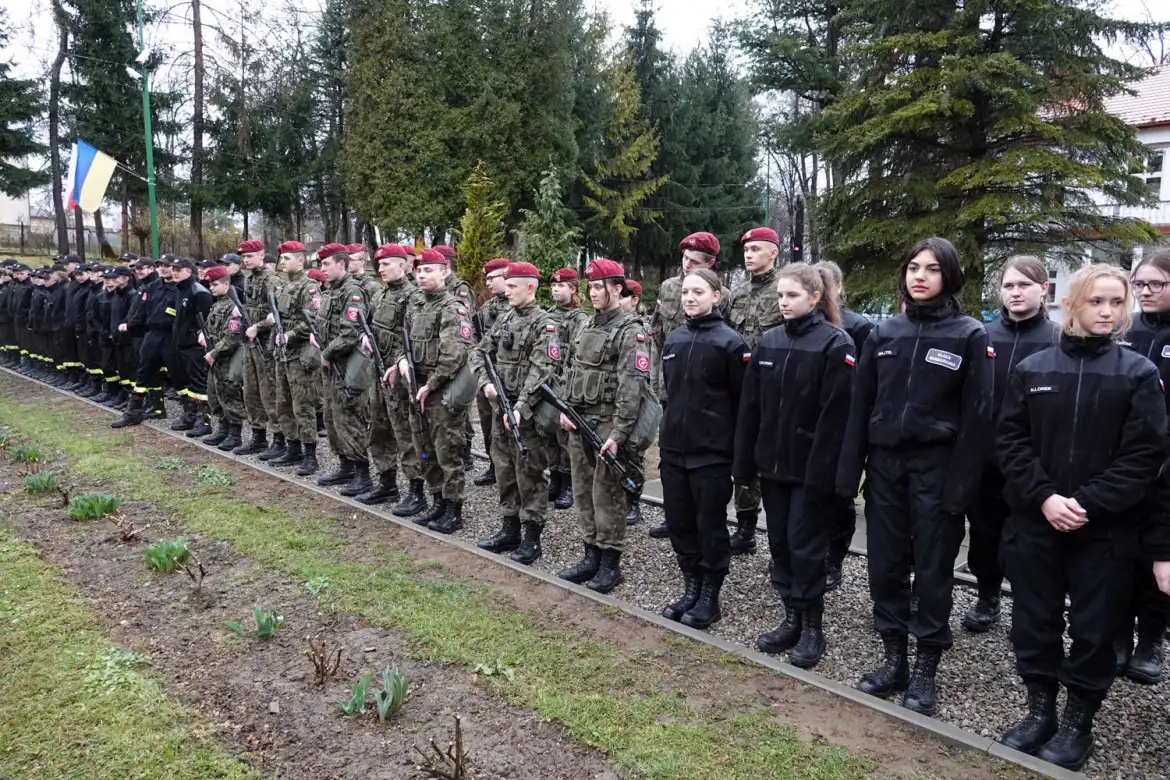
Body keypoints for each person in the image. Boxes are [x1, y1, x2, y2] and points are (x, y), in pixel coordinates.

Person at [995, 264, 1165, 770]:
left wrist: (1086, 503)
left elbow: (1144, 456)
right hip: (1036, 521)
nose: (1108, 312)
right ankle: (1040, 709)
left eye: (1117, 302)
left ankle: (1078, 722)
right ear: (1070, 304)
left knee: (1094, 631)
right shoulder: (1034, 368)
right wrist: (1046, 497)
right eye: (1097, 302)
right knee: (1034, 621)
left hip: (1105, 531)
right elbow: (1010, 441)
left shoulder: (1138, 374)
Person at [836, 236, 991, 716]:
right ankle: (894, 658)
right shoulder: (886, 333)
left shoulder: (969, 335)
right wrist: (847, 477)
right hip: (885, 469)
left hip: (937, 471)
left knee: (932, 572)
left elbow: (978, 418)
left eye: (932, 269)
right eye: (913, 268)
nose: (919, 276)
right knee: (884, 565)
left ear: (950, 277)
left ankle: (926, 667)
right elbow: (859, 406)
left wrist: (960, 489)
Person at [737, 263, 855, 667]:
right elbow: (751, 410)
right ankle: (790, 617)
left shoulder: (835, 345)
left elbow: (835, 420)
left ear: (815, 297)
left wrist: (826, 478)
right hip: (773, 467)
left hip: (810, 473)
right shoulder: (768, 342)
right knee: (781, 546)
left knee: (807, 550)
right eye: (780, 296)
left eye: (791, 296)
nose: (783, 303)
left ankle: (812, 628)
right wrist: (745, 466)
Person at [963, 256, 1059, 634]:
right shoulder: (983, 336)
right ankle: (987, 597)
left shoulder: (1057, 339)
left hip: (1035, 460)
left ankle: (1031, 608)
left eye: (1024, 285)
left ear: (1043, 289)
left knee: (1030, 540)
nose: (1016, 292)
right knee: (985, 533)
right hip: (986, 458)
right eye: (1009, 286)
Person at [658, 267, 749, 630]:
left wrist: (738, 459)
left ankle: (710, 594)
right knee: (679, 522)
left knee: (709, 525)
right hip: (674, 450)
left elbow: (743, 404)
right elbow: (671, 391)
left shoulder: (731, 343)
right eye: (685, 293)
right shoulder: (675, 339)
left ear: (717, 296)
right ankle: (691, 584)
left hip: (711, 454)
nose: (690, 298)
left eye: (698, 292)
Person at [557, 259, 651, 594]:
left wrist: (618, 434)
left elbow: (632, 387)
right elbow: (572, 369)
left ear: (617, 287)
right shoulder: (585, 326)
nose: (594, 293)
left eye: (600, 286)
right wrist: (565, 408)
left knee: (607, 495)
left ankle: (611, 564)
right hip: (579, 422)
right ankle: (590, 555)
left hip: (606, 427)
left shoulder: (630, 330)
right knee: (582, 491)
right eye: (591, 287)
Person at [471, 262, 562, 564]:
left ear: (530, 287)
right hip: (502, 408)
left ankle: (532, 538)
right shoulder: (506, 318)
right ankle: (509, 528)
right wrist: (485, 383)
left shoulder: (544, 324)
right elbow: (479, 352)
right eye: (506, 286)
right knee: (504, 469)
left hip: (527, 414)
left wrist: (520, 408)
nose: (505, 291)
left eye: (512, 286)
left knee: (531, 473)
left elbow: (542, 371)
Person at [647, 232, 733, 539]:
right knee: (670, 451)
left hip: (705, 386)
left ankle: (710, 522)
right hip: (672, 381)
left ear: (710, 264)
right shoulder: (669, 288)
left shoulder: (721, 294)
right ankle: (676, 515)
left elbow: (725, 336)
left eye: (694, 261)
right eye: (684, 259)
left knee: (703, 460)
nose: (686, 265)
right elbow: (656, 333)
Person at [391, 248, 475, 533]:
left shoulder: (453, 307)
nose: (422, 275)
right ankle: (437, 500)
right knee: (423, 446)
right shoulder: (415, 303)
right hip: (417, 385)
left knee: (447, 450)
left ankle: (453, 509)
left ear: (444, 272)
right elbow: (403, 340)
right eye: (419, 271)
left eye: (429, 270)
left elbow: (454, 353)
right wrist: (401, 360)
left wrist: (431, 384)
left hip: (440, 389)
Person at [1116, 249, 1170, 684]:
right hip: (1121, 461)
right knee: (1119, 551)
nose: (1146, 292)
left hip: (1165, 468)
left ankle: (1151, 639)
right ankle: (1117, 635)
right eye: (1141, 284)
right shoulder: (1125, 330)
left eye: (1156, 285)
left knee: (1159, 555)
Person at [813, 260, 874, 589]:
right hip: (808, 428)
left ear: (838, 288)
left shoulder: (858, 327)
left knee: (839, 498)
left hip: (844, 426)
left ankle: (835, 558)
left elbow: (866, 381)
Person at [727, 228, 785, 555]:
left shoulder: (785, 290)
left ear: (773, 253)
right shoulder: (736, 294)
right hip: (740, 388)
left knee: (772, 455)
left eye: (756, 249)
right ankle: (746, 525)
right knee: (742, 453)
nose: (749, 254)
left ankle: (779, 534)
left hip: (773, 387)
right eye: (746, 249)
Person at [358, 244, 421, 505]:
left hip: (399, 374)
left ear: (403, 265)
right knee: (379, 429)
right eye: (379, 264)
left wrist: (396, 362)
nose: (380, 269)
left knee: (405, 433)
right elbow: (369, 325)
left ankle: (416, 490)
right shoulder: (380, 295)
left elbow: (411, 338)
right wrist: (363, 336)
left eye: (386, 264)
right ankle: (387, 482)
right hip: (377, 372)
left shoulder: (413, 297)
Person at [312, 243, 373, 496]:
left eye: (326, 264)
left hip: (347, 365)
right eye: (320, 264)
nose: (322, 269)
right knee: (333, 418)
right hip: (332, 365)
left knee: (350, 418)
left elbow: (350, 332)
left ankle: (363, 474)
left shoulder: (352, 291)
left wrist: (326, 352)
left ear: (342, 264)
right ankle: (345, 465)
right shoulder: (330, 291)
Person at [265, 241, 323, 476]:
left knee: (302, 405)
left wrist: (290, 334)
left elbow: (313, 319)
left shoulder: (309, 287)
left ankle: (310, 454)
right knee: (284, 403)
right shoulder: (283, 288)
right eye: (281, 258)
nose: (282, 262)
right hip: (282, 355)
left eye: (287, 258)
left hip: (299, 354)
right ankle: (293, 447)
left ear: (301, 260)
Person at [545, 267, 588, 510]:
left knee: (565, 438)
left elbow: (577, 354)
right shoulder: (549, 314)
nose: (555, 289)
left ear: (573, 289)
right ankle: (556, 478)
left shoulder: (579, 319)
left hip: (565, 381)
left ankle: (569, 484)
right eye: (553, 285)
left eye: (561, 285)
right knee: (550, 434)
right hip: (548, 381)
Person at [236, 240, 281, 458]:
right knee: (251, 391)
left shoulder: (271, 280)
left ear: (261, 255)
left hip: (266, 344)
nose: (246, 260)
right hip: (250, 343)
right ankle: (258, 436)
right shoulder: (249, 279)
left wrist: (258, 326)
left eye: (250, 256)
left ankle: (279, 439)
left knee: (269, 393)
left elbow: (278, 314)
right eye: (244, 257)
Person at [472, 258, 512, 488]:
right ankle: (494, 465)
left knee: (506, 425)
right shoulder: (487, 308)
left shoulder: (515, 308)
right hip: (486, 374)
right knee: (487, 423)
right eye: (486, 279)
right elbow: (476, 341)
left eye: (492, 278)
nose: (488, 283)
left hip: (507, 375)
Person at [199, 265, 247, 450]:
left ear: (227, 284)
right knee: (215, 394)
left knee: (229, 395)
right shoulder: (217, 304)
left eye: (215, 284)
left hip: (227, 358)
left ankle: (235, 435)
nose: (211, 287)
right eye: (209, 284)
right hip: (215, 357)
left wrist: (214, 352)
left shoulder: (233, 306)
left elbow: (233, 336)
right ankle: (222, 429)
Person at [619, 278, 650, 528]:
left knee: (633, 452)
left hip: (637, 395)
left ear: (635, 300)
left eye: (623, 297)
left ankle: (634, 501)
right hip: (616, 397)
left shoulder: (641, 329)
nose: (617, 302)